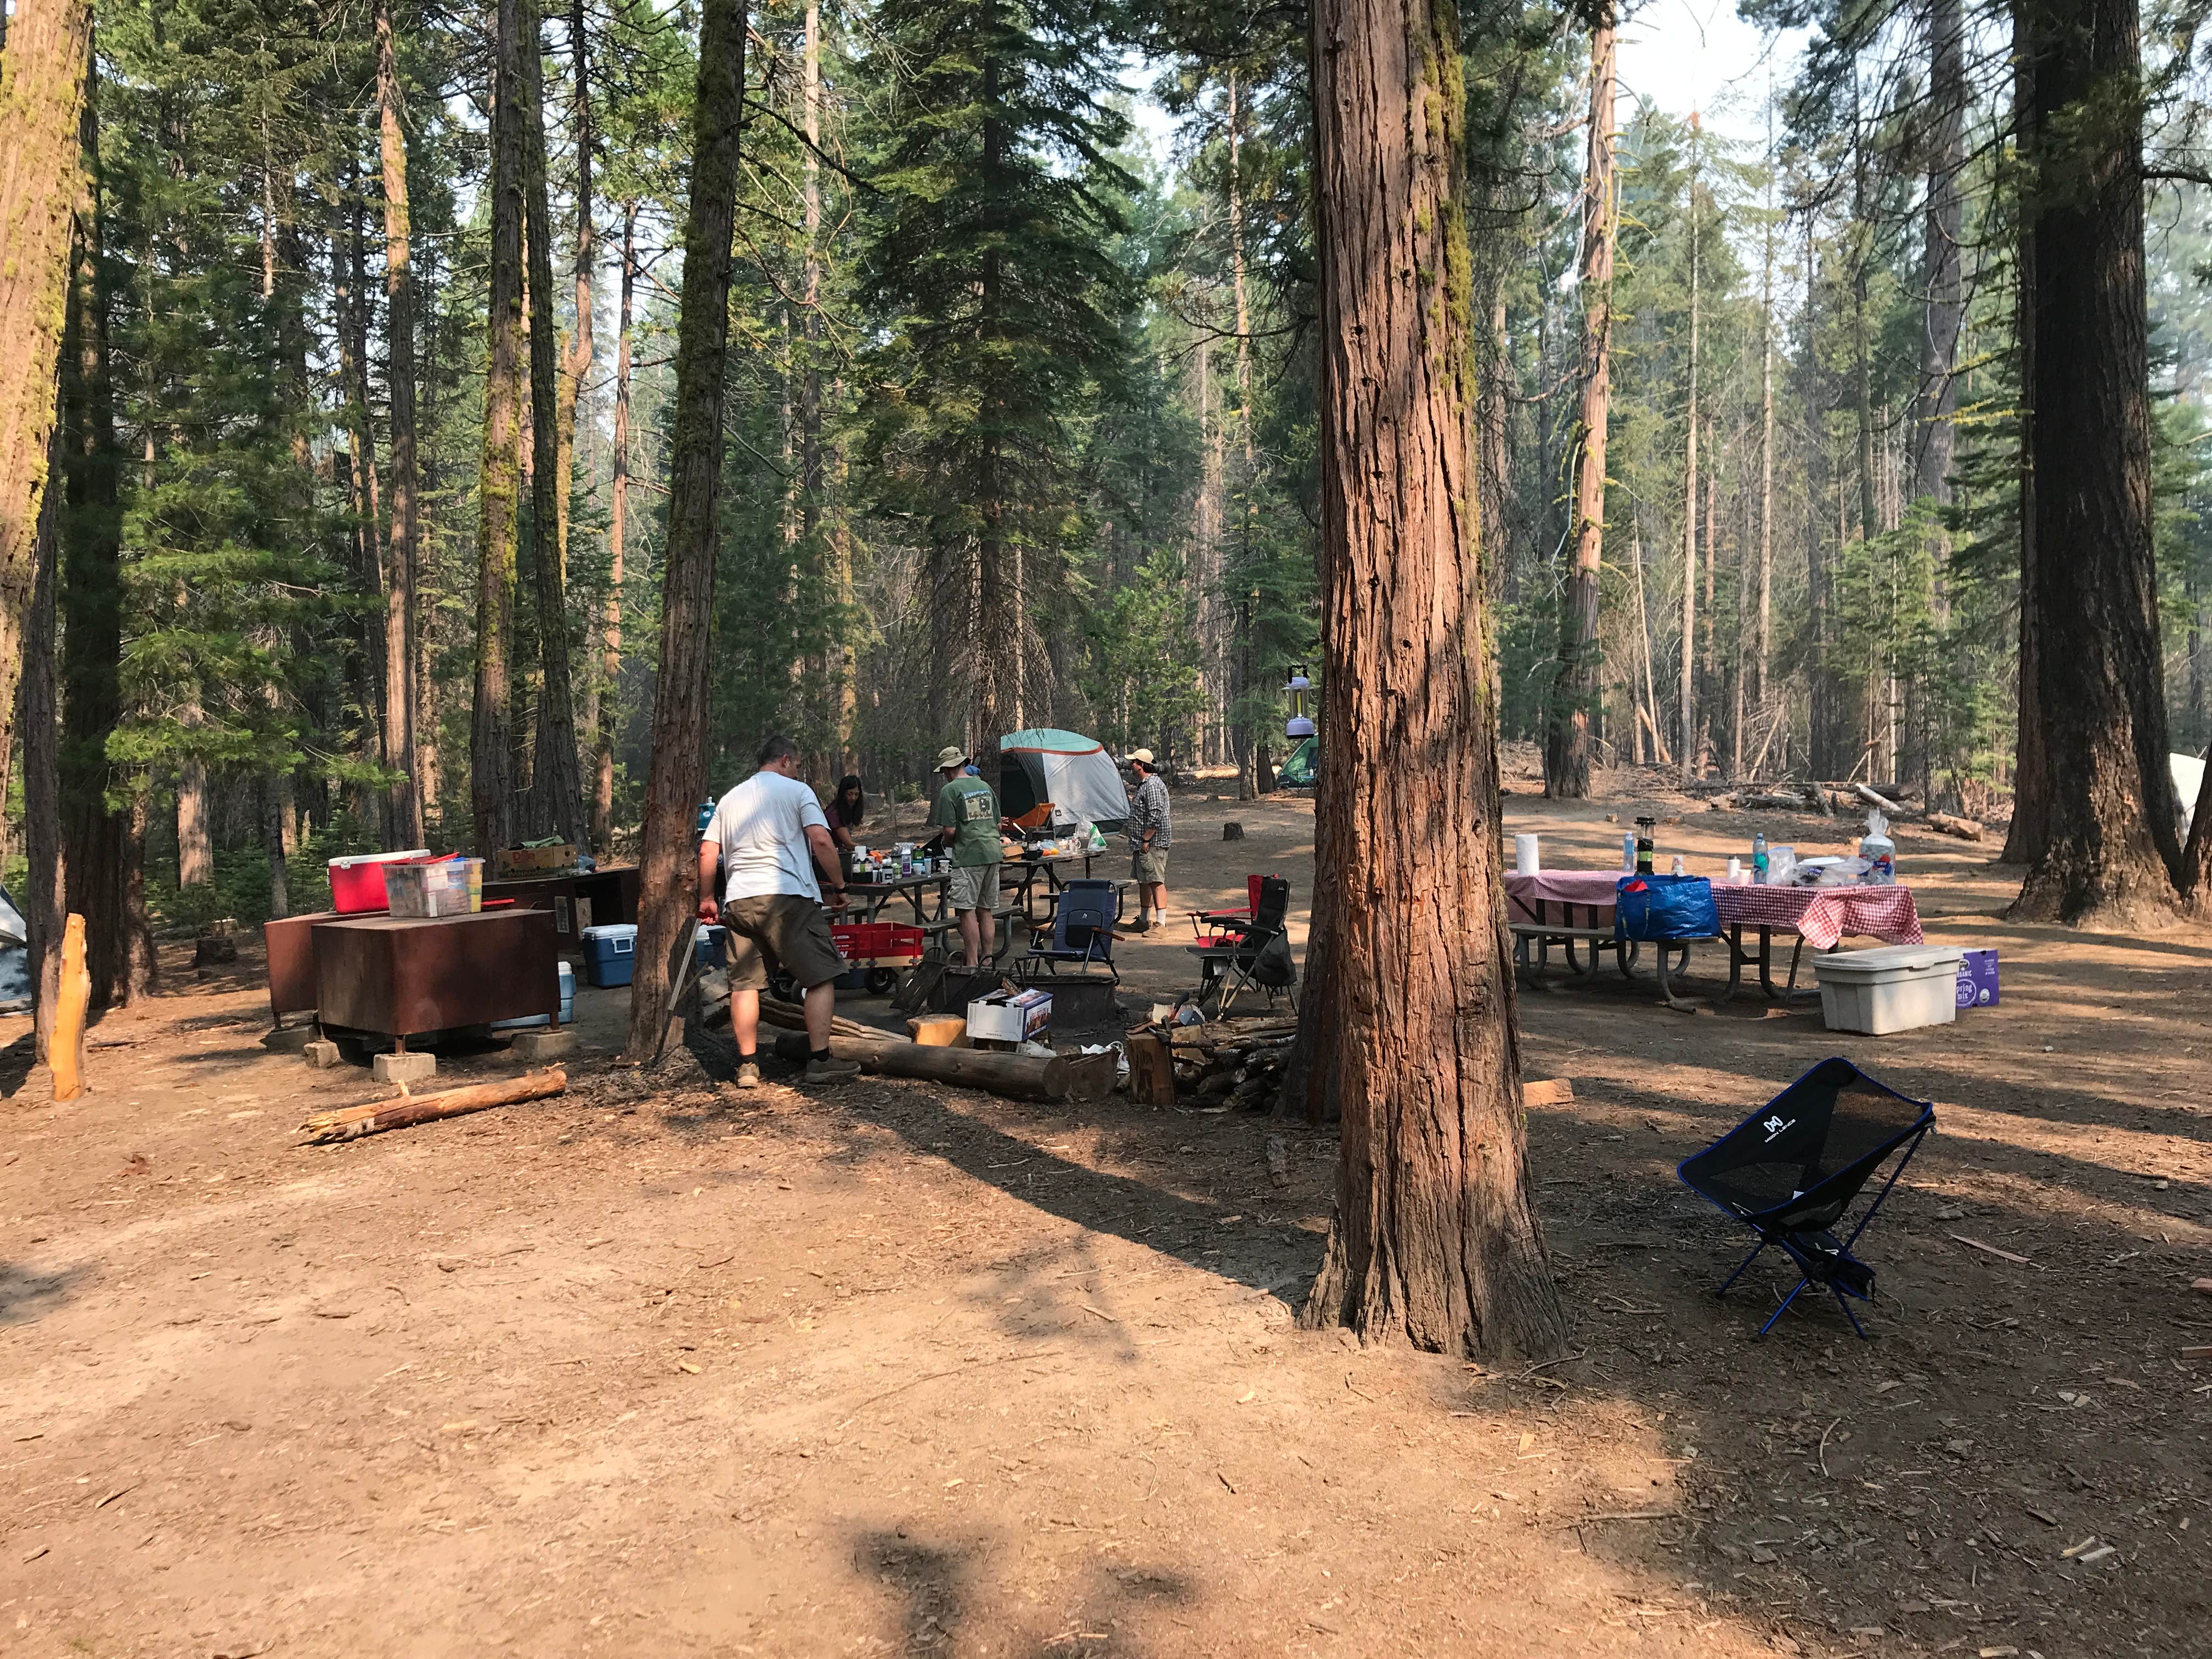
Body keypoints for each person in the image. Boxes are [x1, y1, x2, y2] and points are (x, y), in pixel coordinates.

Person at [697, 735, 860, 1089]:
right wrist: (840, 886)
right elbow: (821, 839)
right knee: (820, 977)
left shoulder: (731, 798)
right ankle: (820, 1060)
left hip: (740, 900)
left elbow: (708, 850)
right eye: (797, 765)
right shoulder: (798, 792)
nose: (798, 771)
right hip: (788, 897)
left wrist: (708, 897)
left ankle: (747, 1065)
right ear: (785, 760)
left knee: (745, 984)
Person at [922, 745, 1007, 967]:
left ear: (947, 770)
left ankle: (971, 962)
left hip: (969, 856)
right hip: (993, 853)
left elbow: (950, 831)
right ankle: (987, 960)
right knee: (986, 909)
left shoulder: (950, 791)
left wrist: (948, 843)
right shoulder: (984, 786)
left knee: (966, 910)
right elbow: (998, 825)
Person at [1124, 748, 1172, 932]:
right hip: (1142, 844)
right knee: (1144, 881)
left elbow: (1156, 814)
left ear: (1141, 765)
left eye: (1134, 762)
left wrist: (1146, 839)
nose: (1131, 765)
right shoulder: (1144, 784)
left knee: (1156, 881)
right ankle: (1144, 920)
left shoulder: (1152, 785)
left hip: (1152, 844)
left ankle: (1161, 924)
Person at [827, 775, 867, 854]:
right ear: (843, 793)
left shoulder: (849, 810)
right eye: (850, 794)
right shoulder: (834, 813)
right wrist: (872, 851)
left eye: (856, 794)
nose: (853, 798)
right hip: (830, 854)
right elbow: (849, 844)